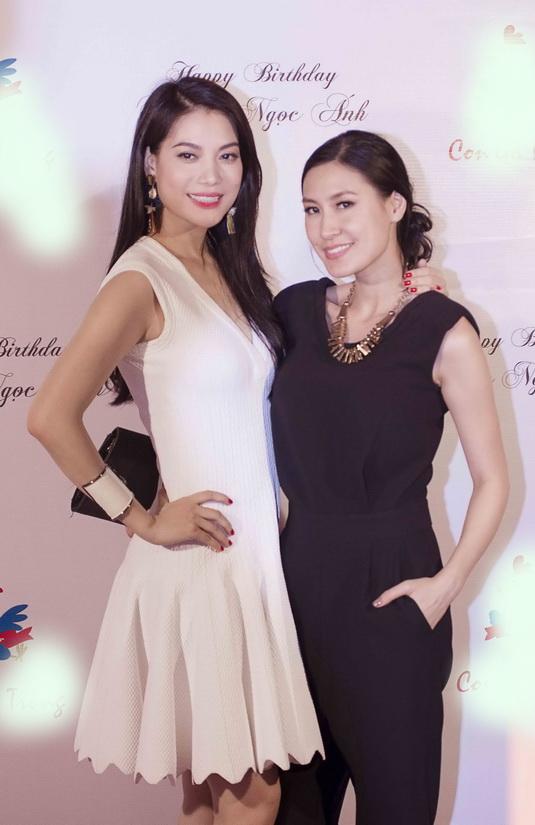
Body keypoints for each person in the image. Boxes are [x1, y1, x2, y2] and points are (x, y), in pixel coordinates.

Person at [27, 76, 327, 825]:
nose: (211, 174)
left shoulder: (229, 267)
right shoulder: (140, 277)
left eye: (228, 155)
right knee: (252, 791)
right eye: (188, 154)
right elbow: (50, 415)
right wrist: (143, 519)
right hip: (203, 562)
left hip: (250, 561)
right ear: (151, 165)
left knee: (207, 790)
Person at [270, 130, 509, 825]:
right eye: (311, 209)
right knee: (292, 811)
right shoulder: (289, 313)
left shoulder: (445, 330)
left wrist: (445, 586)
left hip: (395, 597)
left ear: (395, 205)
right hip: (293, 597)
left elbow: (492, 479)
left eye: (345, 204)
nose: (326, 228)